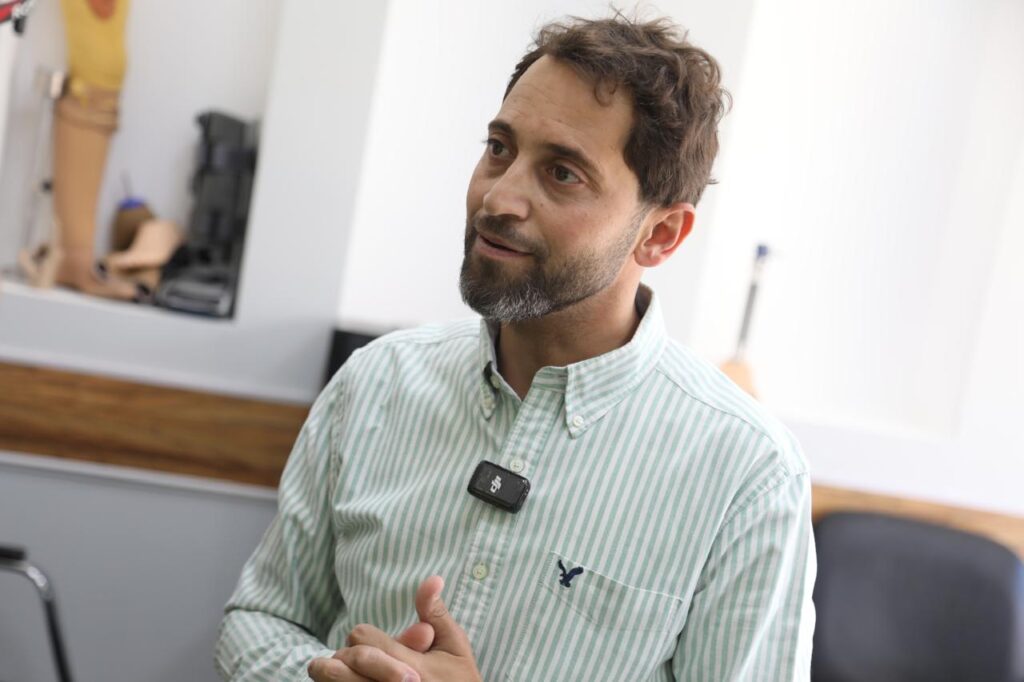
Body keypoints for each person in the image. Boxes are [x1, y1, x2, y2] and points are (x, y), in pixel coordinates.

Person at [215, 13, 815, 682]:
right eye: (499, 148)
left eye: (562, 173)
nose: (498, 198)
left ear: (661, 235)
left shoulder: (749, 476)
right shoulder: (376, 382)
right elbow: (262, 616)